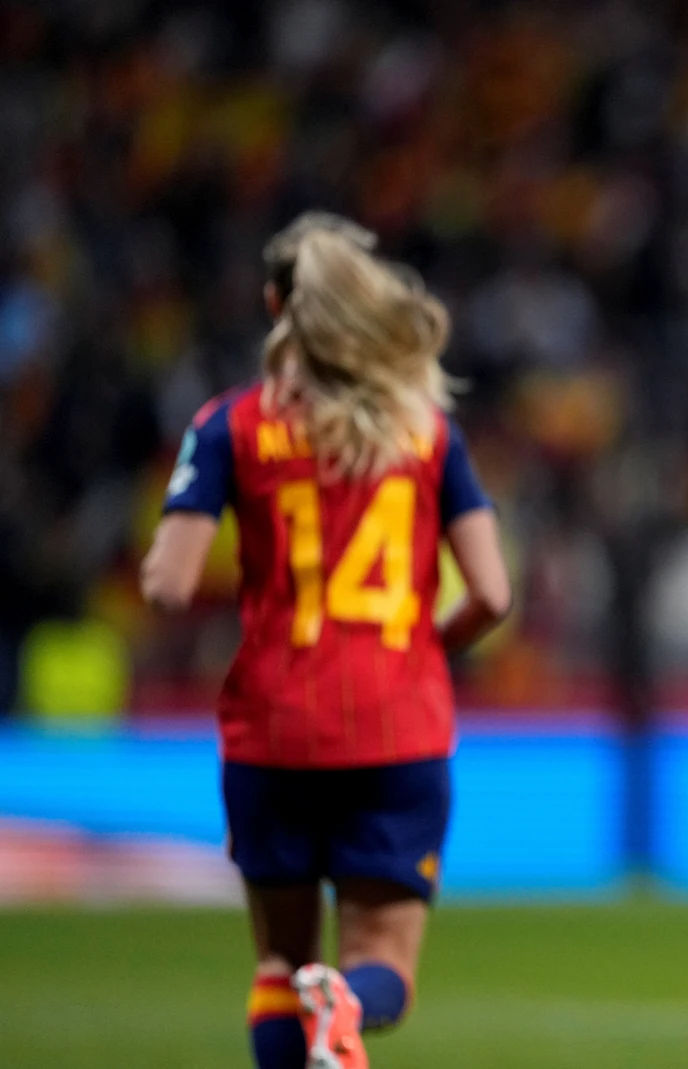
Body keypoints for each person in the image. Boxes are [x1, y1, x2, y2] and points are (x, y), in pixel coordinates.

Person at [140, 213, 511, 1069]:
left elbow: (165, 582)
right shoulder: (425, 431)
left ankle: (312, 1003)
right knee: (381, 960)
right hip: (396, 721)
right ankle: (347, 1003)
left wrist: (268, 588)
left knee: (278, 962)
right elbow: (492, 592)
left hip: (272, 724)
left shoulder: (230, 426)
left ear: (276, 305)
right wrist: (424, 646)